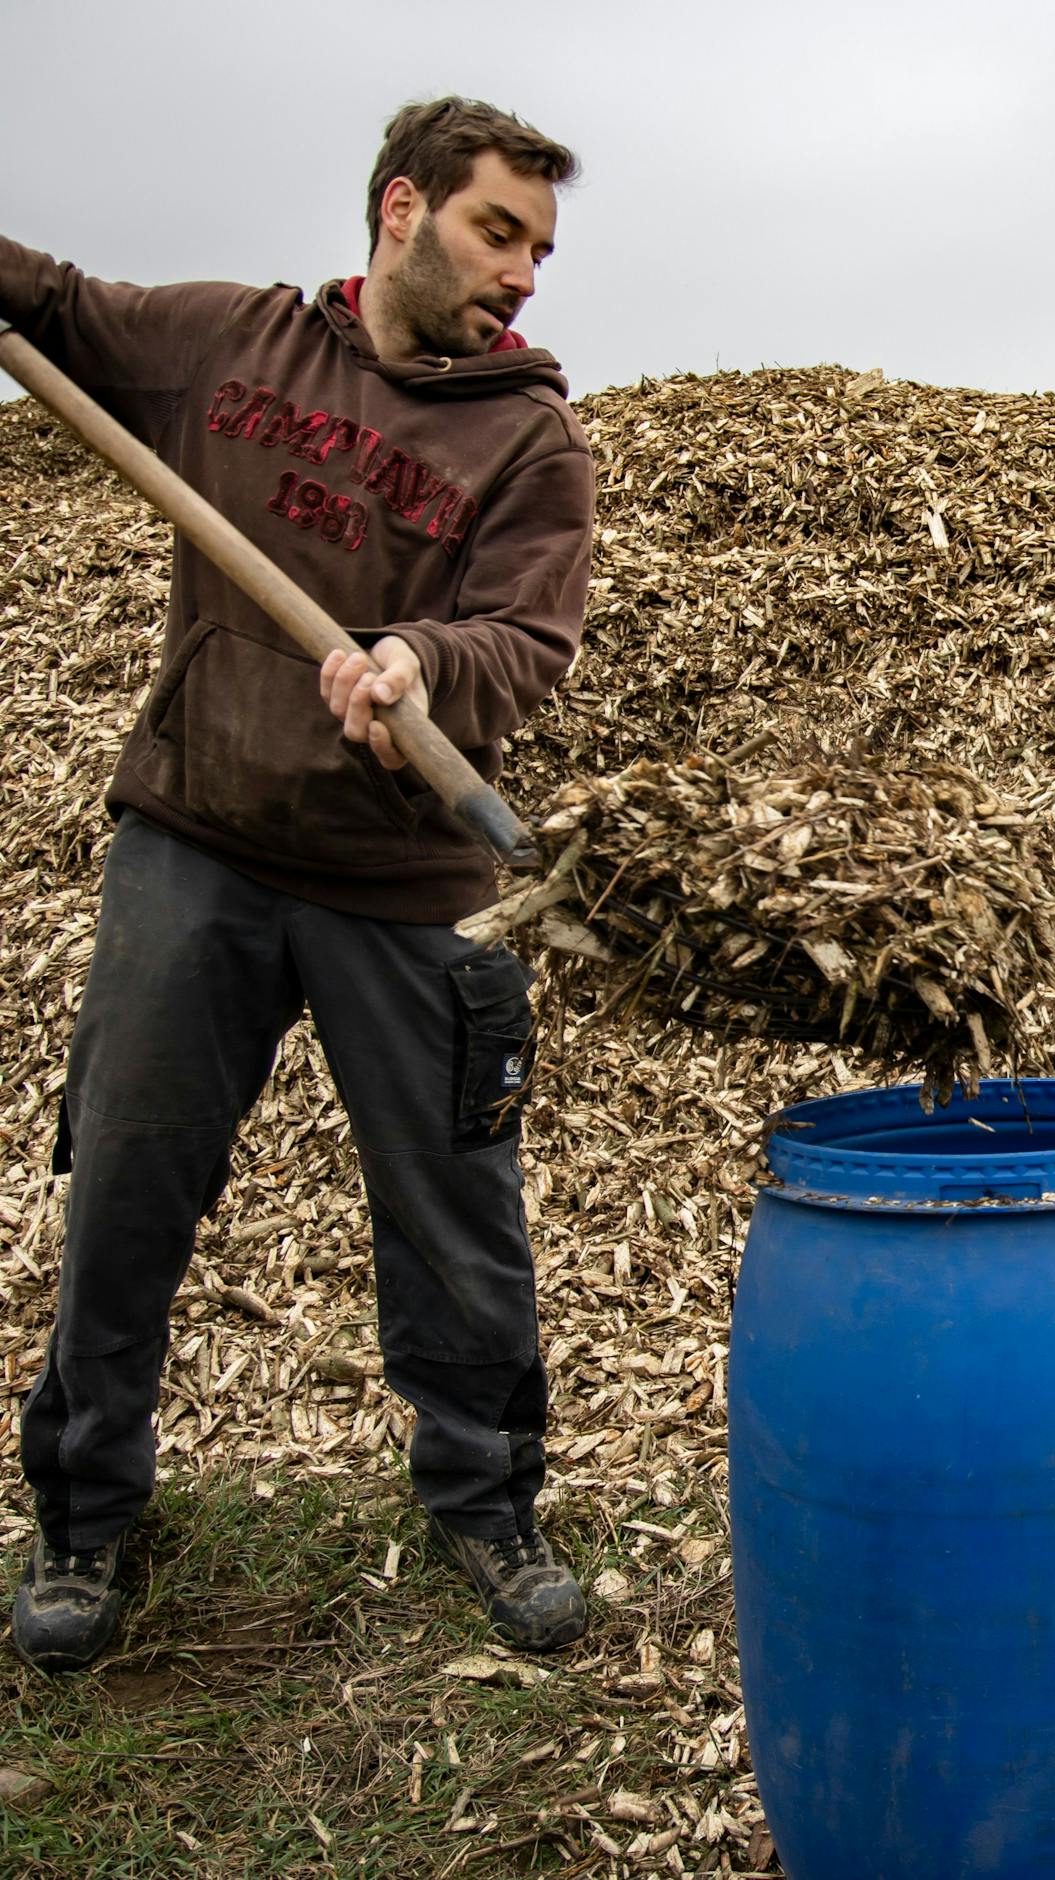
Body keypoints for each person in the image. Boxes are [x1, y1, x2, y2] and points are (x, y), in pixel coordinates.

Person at [4, 97, 595, 1670]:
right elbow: (50, 306)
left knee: (456, 1216)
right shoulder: (230, 345)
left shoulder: (526, 436)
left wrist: (426, 656)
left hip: (413, 884)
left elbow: (529, 641)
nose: (525, 273)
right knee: (127, 1191)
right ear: (402, 208)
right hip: (195, 844)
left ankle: (485, 1502)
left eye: (540, 247)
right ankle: (84, 1517)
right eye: (496, 231)